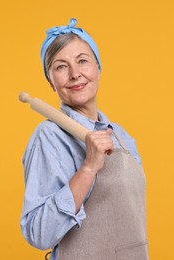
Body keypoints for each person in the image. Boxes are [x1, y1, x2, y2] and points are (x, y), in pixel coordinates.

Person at [20, 18, 148, 260]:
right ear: (51, 82)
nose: (75, 74)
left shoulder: (122, 137)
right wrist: (88, 168)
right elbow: (38, 233)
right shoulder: (49, 137)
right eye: (61, 67)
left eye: (82, 61)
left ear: (98, 68)